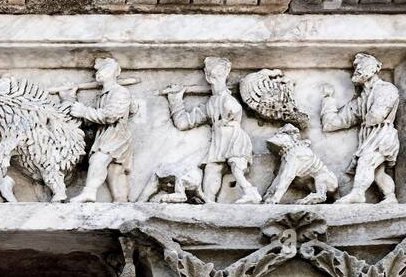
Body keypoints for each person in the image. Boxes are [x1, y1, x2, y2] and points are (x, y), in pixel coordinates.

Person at [161, 57, 261, 204]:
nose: (216, 78)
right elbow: (183, 123)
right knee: (211, 171)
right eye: (213, 75)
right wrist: (175, 99)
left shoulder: (228, 99)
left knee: (236, 166)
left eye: (220, 74)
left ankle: (251, 192)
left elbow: (234, 109)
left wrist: (228, 115)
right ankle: (209, 204)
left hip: (232, 137)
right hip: (218, 143)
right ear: (208, 77)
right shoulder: (210, 104)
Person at [321, 52, 400, 204]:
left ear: (374, 68)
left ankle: (358, 193)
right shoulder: (360, 101)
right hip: (369, 136)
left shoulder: (386, 89)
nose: (356, 69)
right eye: (355, 67)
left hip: (383, 135)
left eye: (361, 66)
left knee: (366, 161)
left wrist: (364, 116)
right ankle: (390, 197)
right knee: (378, 172)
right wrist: (328, 99)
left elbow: (377, 115)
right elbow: (332, 123)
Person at [63, 56, 137, 203]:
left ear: (117, 72)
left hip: (116, 135)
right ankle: (121, 201)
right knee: (114, 171)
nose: (100, 73)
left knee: (98, 159)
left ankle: (89, 192)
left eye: (105, 69)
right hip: (105, 134)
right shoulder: (101, 96)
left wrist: (84, 111)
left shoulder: (120, 92)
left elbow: (111, 116)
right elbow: (91, 120)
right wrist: (70, 99)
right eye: (99, 70)